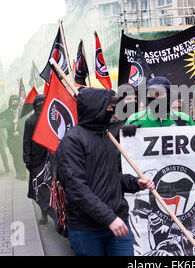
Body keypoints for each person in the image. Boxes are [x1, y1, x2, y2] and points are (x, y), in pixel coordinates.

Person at [56, 87, 155, 256]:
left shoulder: (106, 136)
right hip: (88, 230)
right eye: (109, 106)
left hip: (118, 223)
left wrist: (135, 183)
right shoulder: (72, 142)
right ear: (96, 108)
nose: (112, 110)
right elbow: (77, 189)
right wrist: (109, 218)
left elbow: (111, 177)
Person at [123, 76, 195, 134]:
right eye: (151, 93)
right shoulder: (134, 120)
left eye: (159, 93)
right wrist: (125, 138)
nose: (155, 97)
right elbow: (119, 151)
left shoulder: (185, 120)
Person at [23, 94, 50, 224]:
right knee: (40, 188)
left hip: (51, 159)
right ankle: (44, 213)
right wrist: (27, 159)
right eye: (38, 104)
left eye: (42, 103)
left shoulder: (50, 118)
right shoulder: (30, 121)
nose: (40, 106)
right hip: (37, 161)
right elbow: (26, 141)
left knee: (50, 187)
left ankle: (52, 212)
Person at [0, 95, 25, 179]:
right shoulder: (6, 113)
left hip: (20, 138)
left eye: (16, 101)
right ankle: (18, 172)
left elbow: (24, 122)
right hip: (11, 139)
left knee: (21, 155)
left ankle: (23, 173)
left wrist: (19, 131)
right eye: (13, 101)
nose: (15, 102)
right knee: (15, 156)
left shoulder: (21, 111)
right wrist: (11, 122)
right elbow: (1, 123)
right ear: (10, 102)